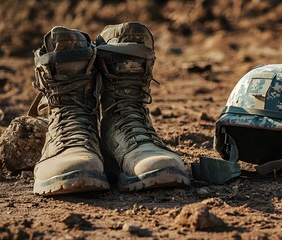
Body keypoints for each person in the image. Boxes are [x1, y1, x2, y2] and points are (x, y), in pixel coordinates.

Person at [29, 22, 190, 196]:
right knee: (71, 107)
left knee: (127, 101)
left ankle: (121, 133)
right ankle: (72, 135)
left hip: (129, 133)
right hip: (68, 140)